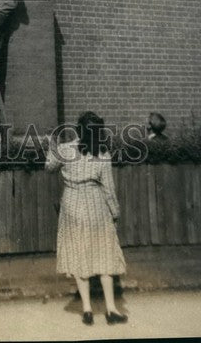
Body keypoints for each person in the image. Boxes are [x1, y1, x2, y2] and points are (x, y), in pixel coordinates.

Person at [45, 112, 128, 326]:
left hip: (72, 204)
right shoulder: (102, 153)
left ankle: (87, 310)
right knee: (105, 255)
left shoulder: (65, 149)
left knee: (79, 254)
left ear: (78, 129)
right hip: (96, 205)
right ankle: (110, 309)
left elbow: (48, 167)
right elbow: (108, 189)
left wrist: (52, 144)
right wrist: (115, 212)